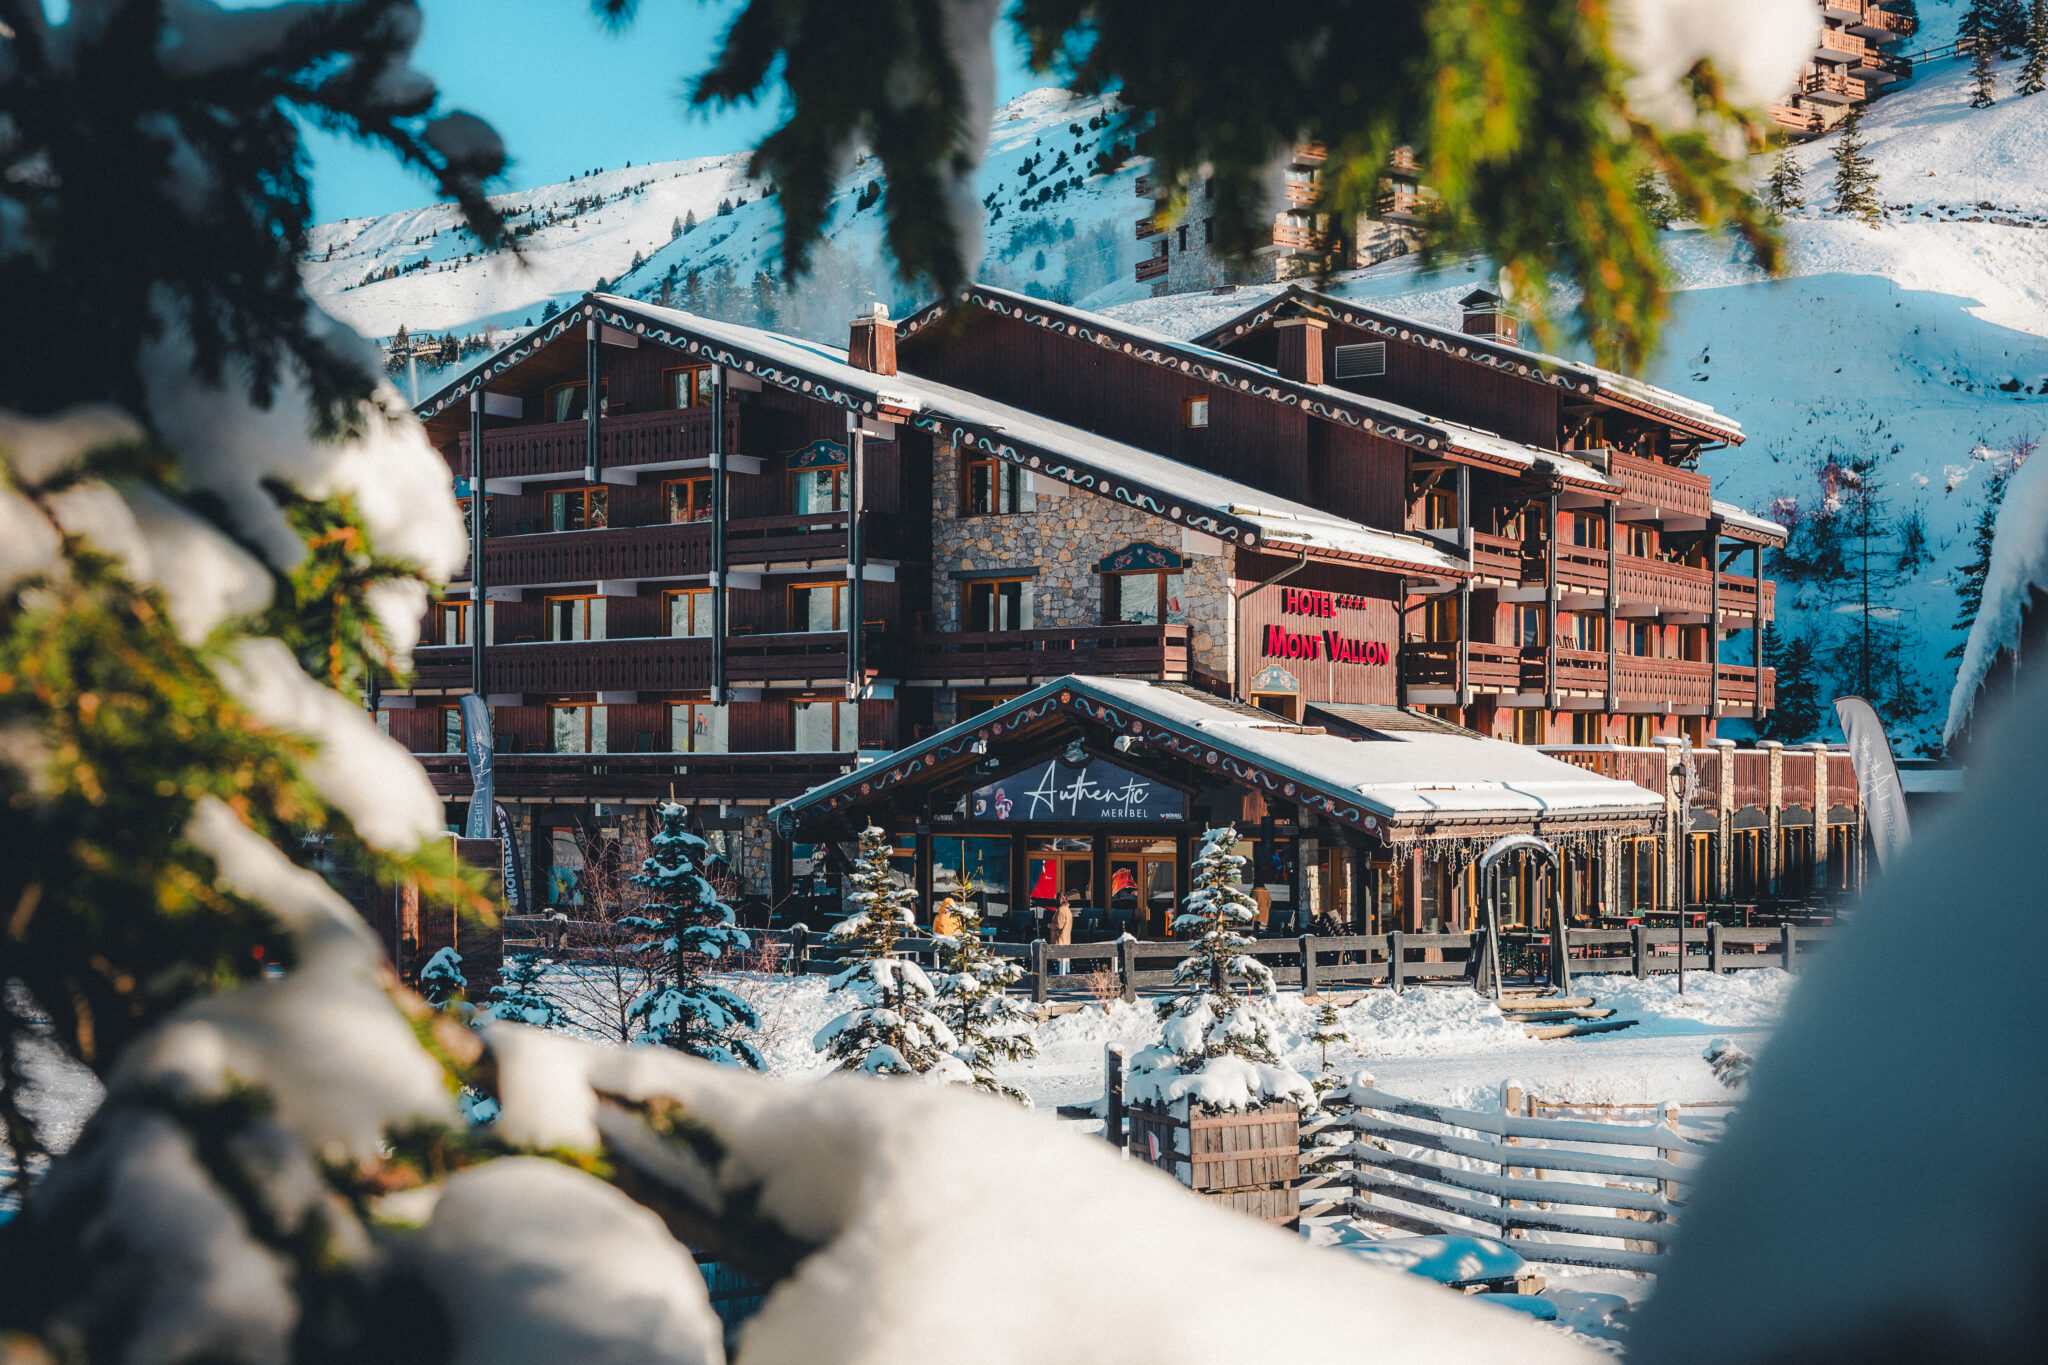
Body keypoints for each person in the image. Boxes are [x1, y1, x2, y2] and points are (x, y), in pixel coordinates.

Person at [1051, 892, 1075, 975]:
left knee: (1060, 965)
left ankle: (1061, 984)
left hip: (1060, 939)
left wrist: (1049, 925)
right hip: (1066, 939)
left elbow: (1059, 926)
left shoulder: (1061, 910)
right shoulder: (1068, 910)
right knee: (1066, 962)